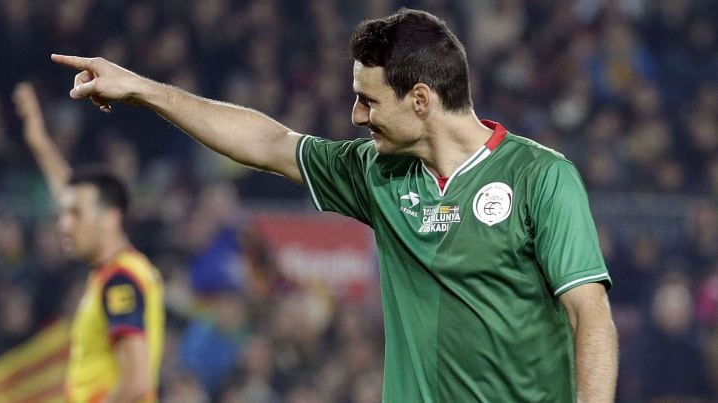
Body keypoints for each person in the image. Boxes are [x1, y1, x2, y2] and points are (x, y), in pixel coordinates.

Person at [50, 8, 617, 402]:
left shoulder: (541, 177)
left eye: (368, 100)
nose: (355, 117)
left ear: (420, 100)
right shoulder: (378, 172)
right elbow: (269, 143)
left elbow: (589, 316)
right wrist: (144, 90)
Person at [12, 82, 165, 403]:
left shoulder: (120, 281)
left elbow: (136, 383)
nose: (64, 225)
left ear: (110, 218)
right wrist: (39, 142)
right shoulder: (119, 270)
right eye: (65, 215)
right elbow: (72, 197)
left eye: (75, 216)